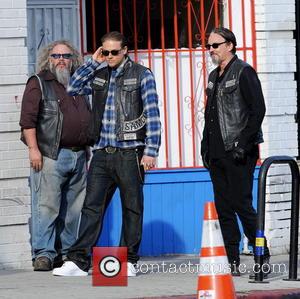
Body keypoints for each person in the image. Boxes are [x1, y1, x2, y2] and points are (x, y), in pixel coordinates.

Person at [53, 31, 161, 277]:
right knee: (92, 208)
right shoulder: (99, 75)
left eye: (114, 52)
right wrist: (93, 61)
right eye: (106, 52)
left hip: (130, 152)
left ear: (125, 51)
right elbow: (72, 87)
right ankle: (78, 261)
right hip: (102, 152)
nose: (110, 56)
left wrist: (150, 151)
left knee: (132, 208)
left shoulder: (142, 75)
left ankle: (128, 261)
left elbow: (153, 115)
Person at [201, 27, 270, 276]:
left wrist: (243, 144)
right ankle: (232, 261)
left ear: (230, 45)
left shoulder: (244, 71)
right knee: (224, 207)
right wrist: (205, 146)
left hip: (238, 150)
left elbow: (257, 110)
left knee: (242, 204)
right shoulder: (212, 76)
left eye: (215, 45)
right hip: (217, 152)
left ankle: (262, 254)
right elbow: (210, 114)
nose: (211, 50)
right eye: (208, 46)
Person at [19, 40, 92, 271]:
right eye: (56, 55)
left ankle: (67, 254)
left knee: (73, 210)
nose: (61, 59)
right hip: (50, 155)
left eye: (66, 56)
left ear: (73, 60)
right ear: (48, 59)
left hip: (79, 155)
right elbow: (27, 121)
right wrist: (33, 150)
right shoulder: (39, 83)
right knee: (47, 207)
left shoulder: (79, 84)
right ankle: (43, 254)